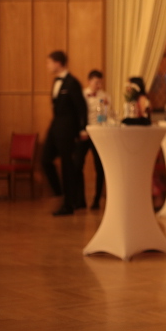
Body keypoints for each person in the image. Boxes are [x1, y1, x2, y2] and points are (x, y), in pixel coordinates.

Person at [41, 51, 88, 216]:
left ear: (58, 63)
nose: (47, 66)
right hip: (55, 127)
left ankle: (69, 204)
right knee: (45, 159)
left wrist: (83, 129)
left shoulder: (72, 82)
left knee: (67, 166)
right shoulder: (56, 81)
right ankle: (60, 193)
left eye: (49, 62)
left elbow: (81, 108)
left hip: (68, 130)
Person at [73, 70, 108, 210]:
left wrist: (105, 110)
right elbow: (77, 114)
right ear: (89, 81)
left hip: (98, 134)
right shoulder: (82, 94)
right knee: (77, 165)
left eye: (100, 83)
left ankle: (97, 200)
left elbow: (106, 115)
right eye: (96, 82)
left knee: (99, 167)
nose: (98, 85)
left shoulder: (105, 96)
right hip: (84, 134)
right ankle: (80, 199)